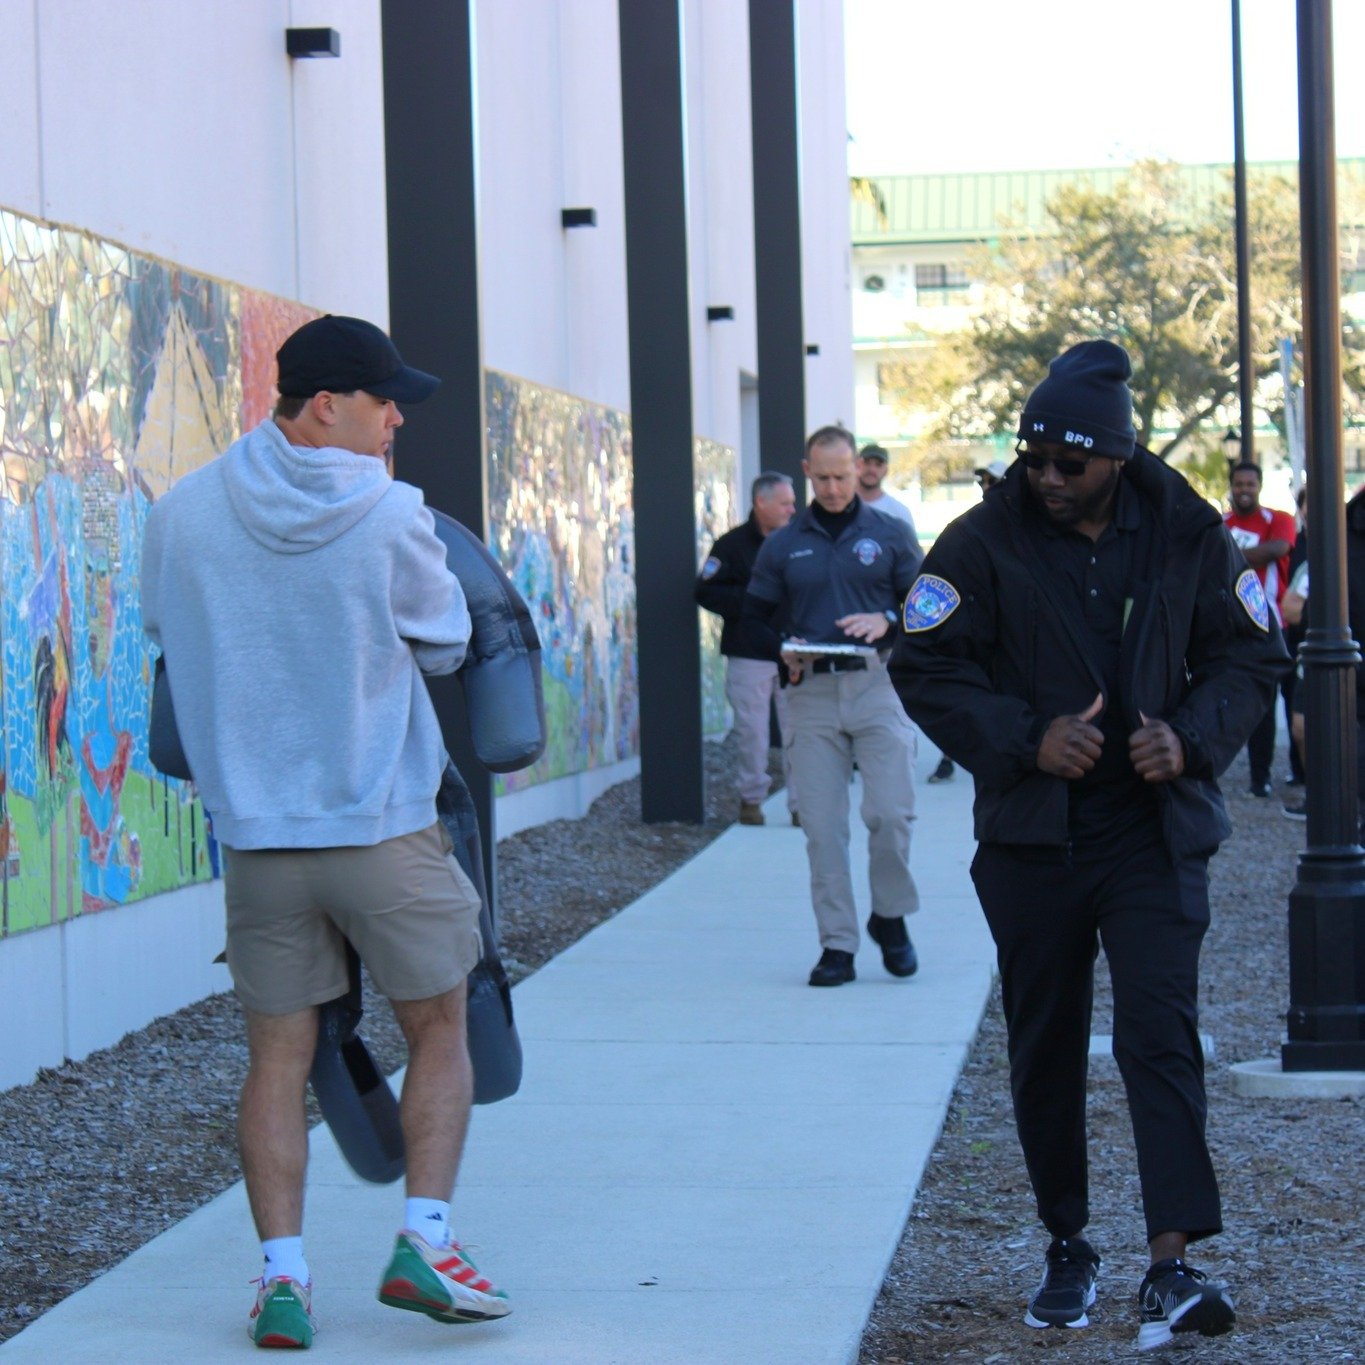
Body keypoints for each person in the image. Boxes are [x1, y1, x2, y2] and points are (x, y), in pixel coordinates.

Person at [890, 340, 1287, 1351]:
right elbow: (925, 663)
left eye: (1069, 462)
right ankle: (1067, 1241)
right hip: (1035, 838)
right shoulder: (980, 541)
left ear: (1118, 456)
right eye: (1033, 459)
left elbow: (1249, 655)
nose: (1047, 478)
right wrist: (1026, 739)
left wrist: (1187, 739)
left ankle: (1171, 1262)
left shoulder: (1190, 533)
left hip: (1153, 830)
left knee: (1160, 1032)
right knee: (1046, 1039)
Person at [141, 315, 511, 1348]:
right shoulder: (391, 513)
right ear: (323, 406)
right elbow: (445, 645)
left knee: (276, 1058)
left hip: (257, 841)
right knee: (439, 1029)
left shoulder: (180, 512)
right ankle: (426, 1243)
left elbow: (167, 637)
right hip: (381, 826)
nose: (397, 418)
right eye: (384, 400)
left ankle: (282, 1281)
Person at [744, 425, 923, 987]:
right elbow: (753, 617)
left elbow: (927, 608)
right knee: (822, 828)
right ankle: (837, 945)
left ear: (857, 470)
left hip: (877, 685)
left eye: (842, 477)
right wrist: (783, 648)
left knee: (891, 814)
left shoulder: (890, 533)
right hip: (811, 692)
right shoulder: (783, 544)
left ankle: (890, 916)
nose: (833, 488)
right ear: (807, 472)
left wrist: (888, 620)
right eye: (821, 478)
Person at [695, 472, 799, 826]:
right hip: (749, 651)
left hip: (794, 651)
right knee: (752, 732)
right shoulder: (731, 545)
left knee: (800, 732)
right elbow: (705, 591)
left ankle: (801, 805)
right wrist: (753, 602)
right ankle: (751, 800)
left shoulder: (800, 542)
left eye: (792, 503)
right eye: (784, 503)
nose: (792, 510)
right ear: (761, 503)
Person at [1224, 462, 1296, 797]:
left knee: (1280, 698)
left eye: (1250, 484)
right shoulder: (1221, 522)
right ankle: (1251, 774)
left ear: (1260, 486)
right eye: (1239, 483)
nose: (1244, 489)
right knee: (1245, 699)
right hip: (1231, 624)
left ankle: (1286, 773)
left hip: (1273, 623)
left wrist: (1229, 554)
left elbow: (1277, 549)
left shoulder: (1278, 519)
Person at [856, 443, 922, 546]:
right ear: (857, 466)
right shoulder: (841, 507)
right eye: (867, 463)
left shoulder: (899, 513)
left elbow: (911, 552)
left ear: (886, 471)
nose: (872, 469)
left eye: (878, 464)